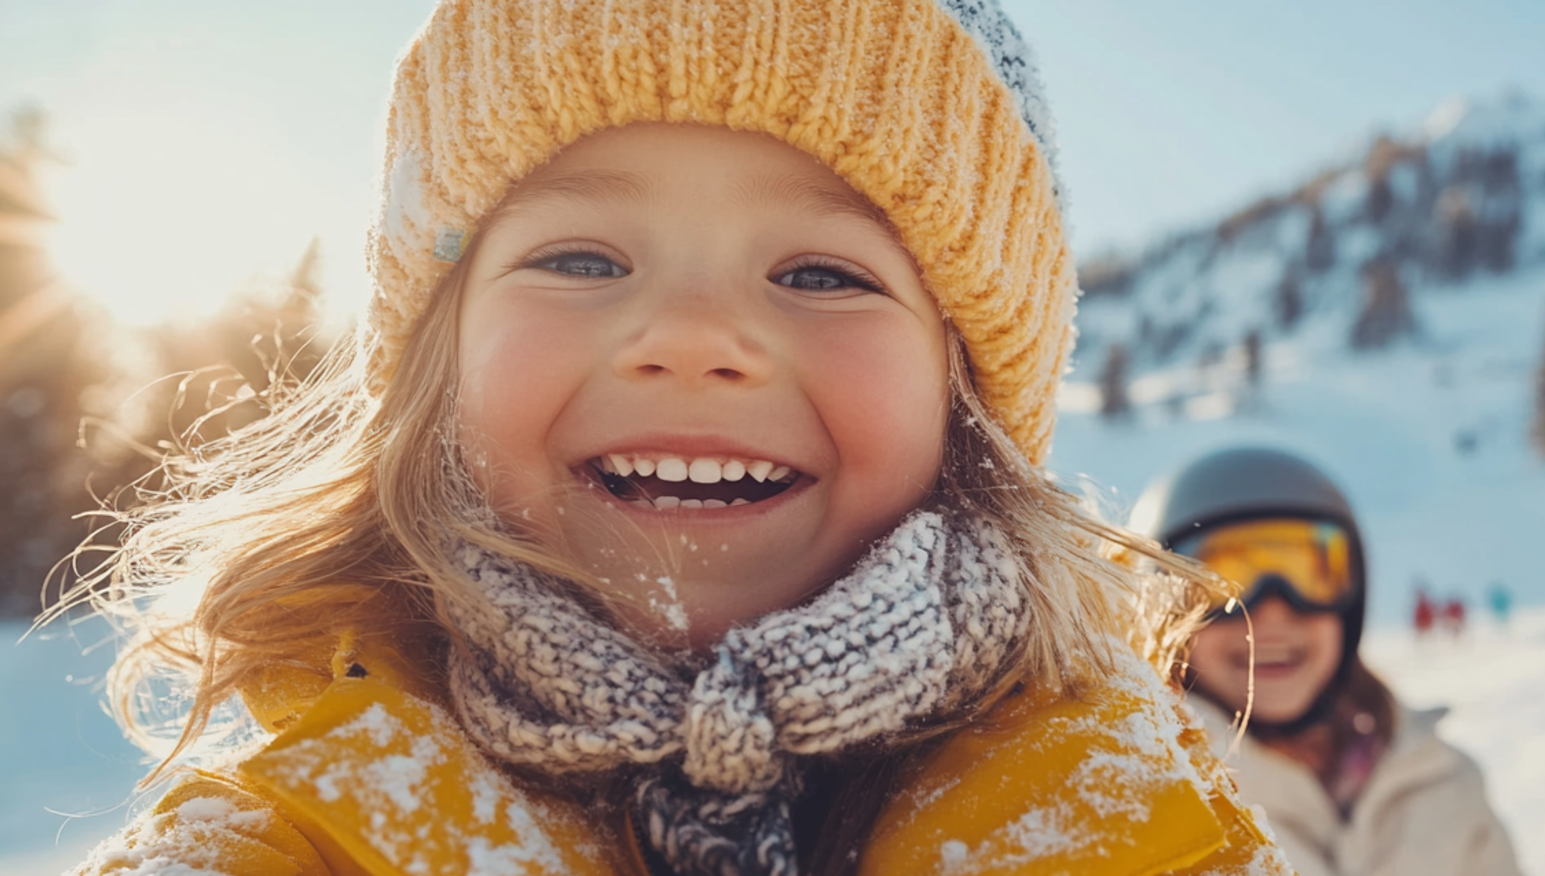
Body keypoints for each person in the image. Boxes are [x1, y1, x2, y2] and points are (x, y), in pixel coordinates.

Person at [60, 2, 1290, 874]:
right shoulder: (297, 833)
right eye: (581, 257)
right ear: (434, 365)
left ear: (961, 397)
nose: (694, 335)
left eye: (818, 273)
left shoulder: (1133, 830)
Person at [1133, 447, 1521, 876]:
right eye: (1223, 580)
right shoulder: (1144, 806)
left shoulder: (1440, 783)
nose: (1273, 613)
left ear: (1350, 601)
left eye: (1310, 572)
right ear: (1163, 607)